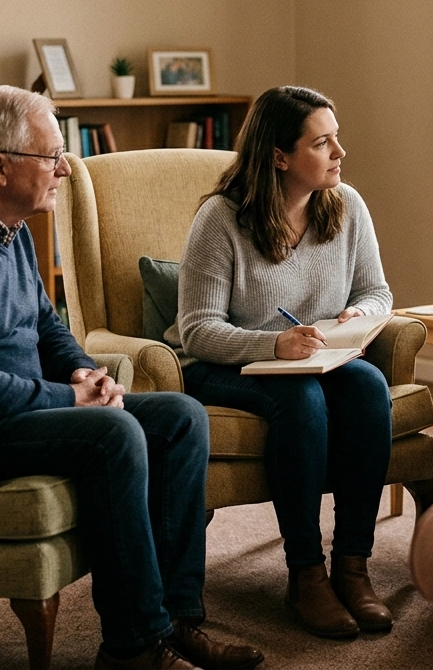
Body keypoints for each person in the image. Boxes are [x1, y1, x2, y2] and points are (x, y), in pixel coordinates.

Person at [0, 86, 262, 670]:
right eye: (50, 156)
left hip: (21, 409)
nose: (65, 169)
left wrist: (84, 372)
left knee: (180, 417)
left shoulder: (8, 224)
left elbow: (47, 324)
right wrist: (72, 398)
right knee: (116, 435)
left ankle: (178, 623)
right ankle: (134, 647)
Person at [167, 86, 394, 641]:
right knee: (299, 398)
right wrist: (274, 346)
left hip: (314, 357)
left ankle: (352, 566)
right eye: (323, 142)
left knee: (366, 388)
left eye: (336, 137)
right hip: (221, 364)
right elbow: (198, 330)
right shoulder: (221, 220)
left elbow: (378, 291)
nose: (340, 152)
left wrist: (358, 313)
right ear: (278, 156)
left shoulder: (348, 206)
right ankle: (306, 574)